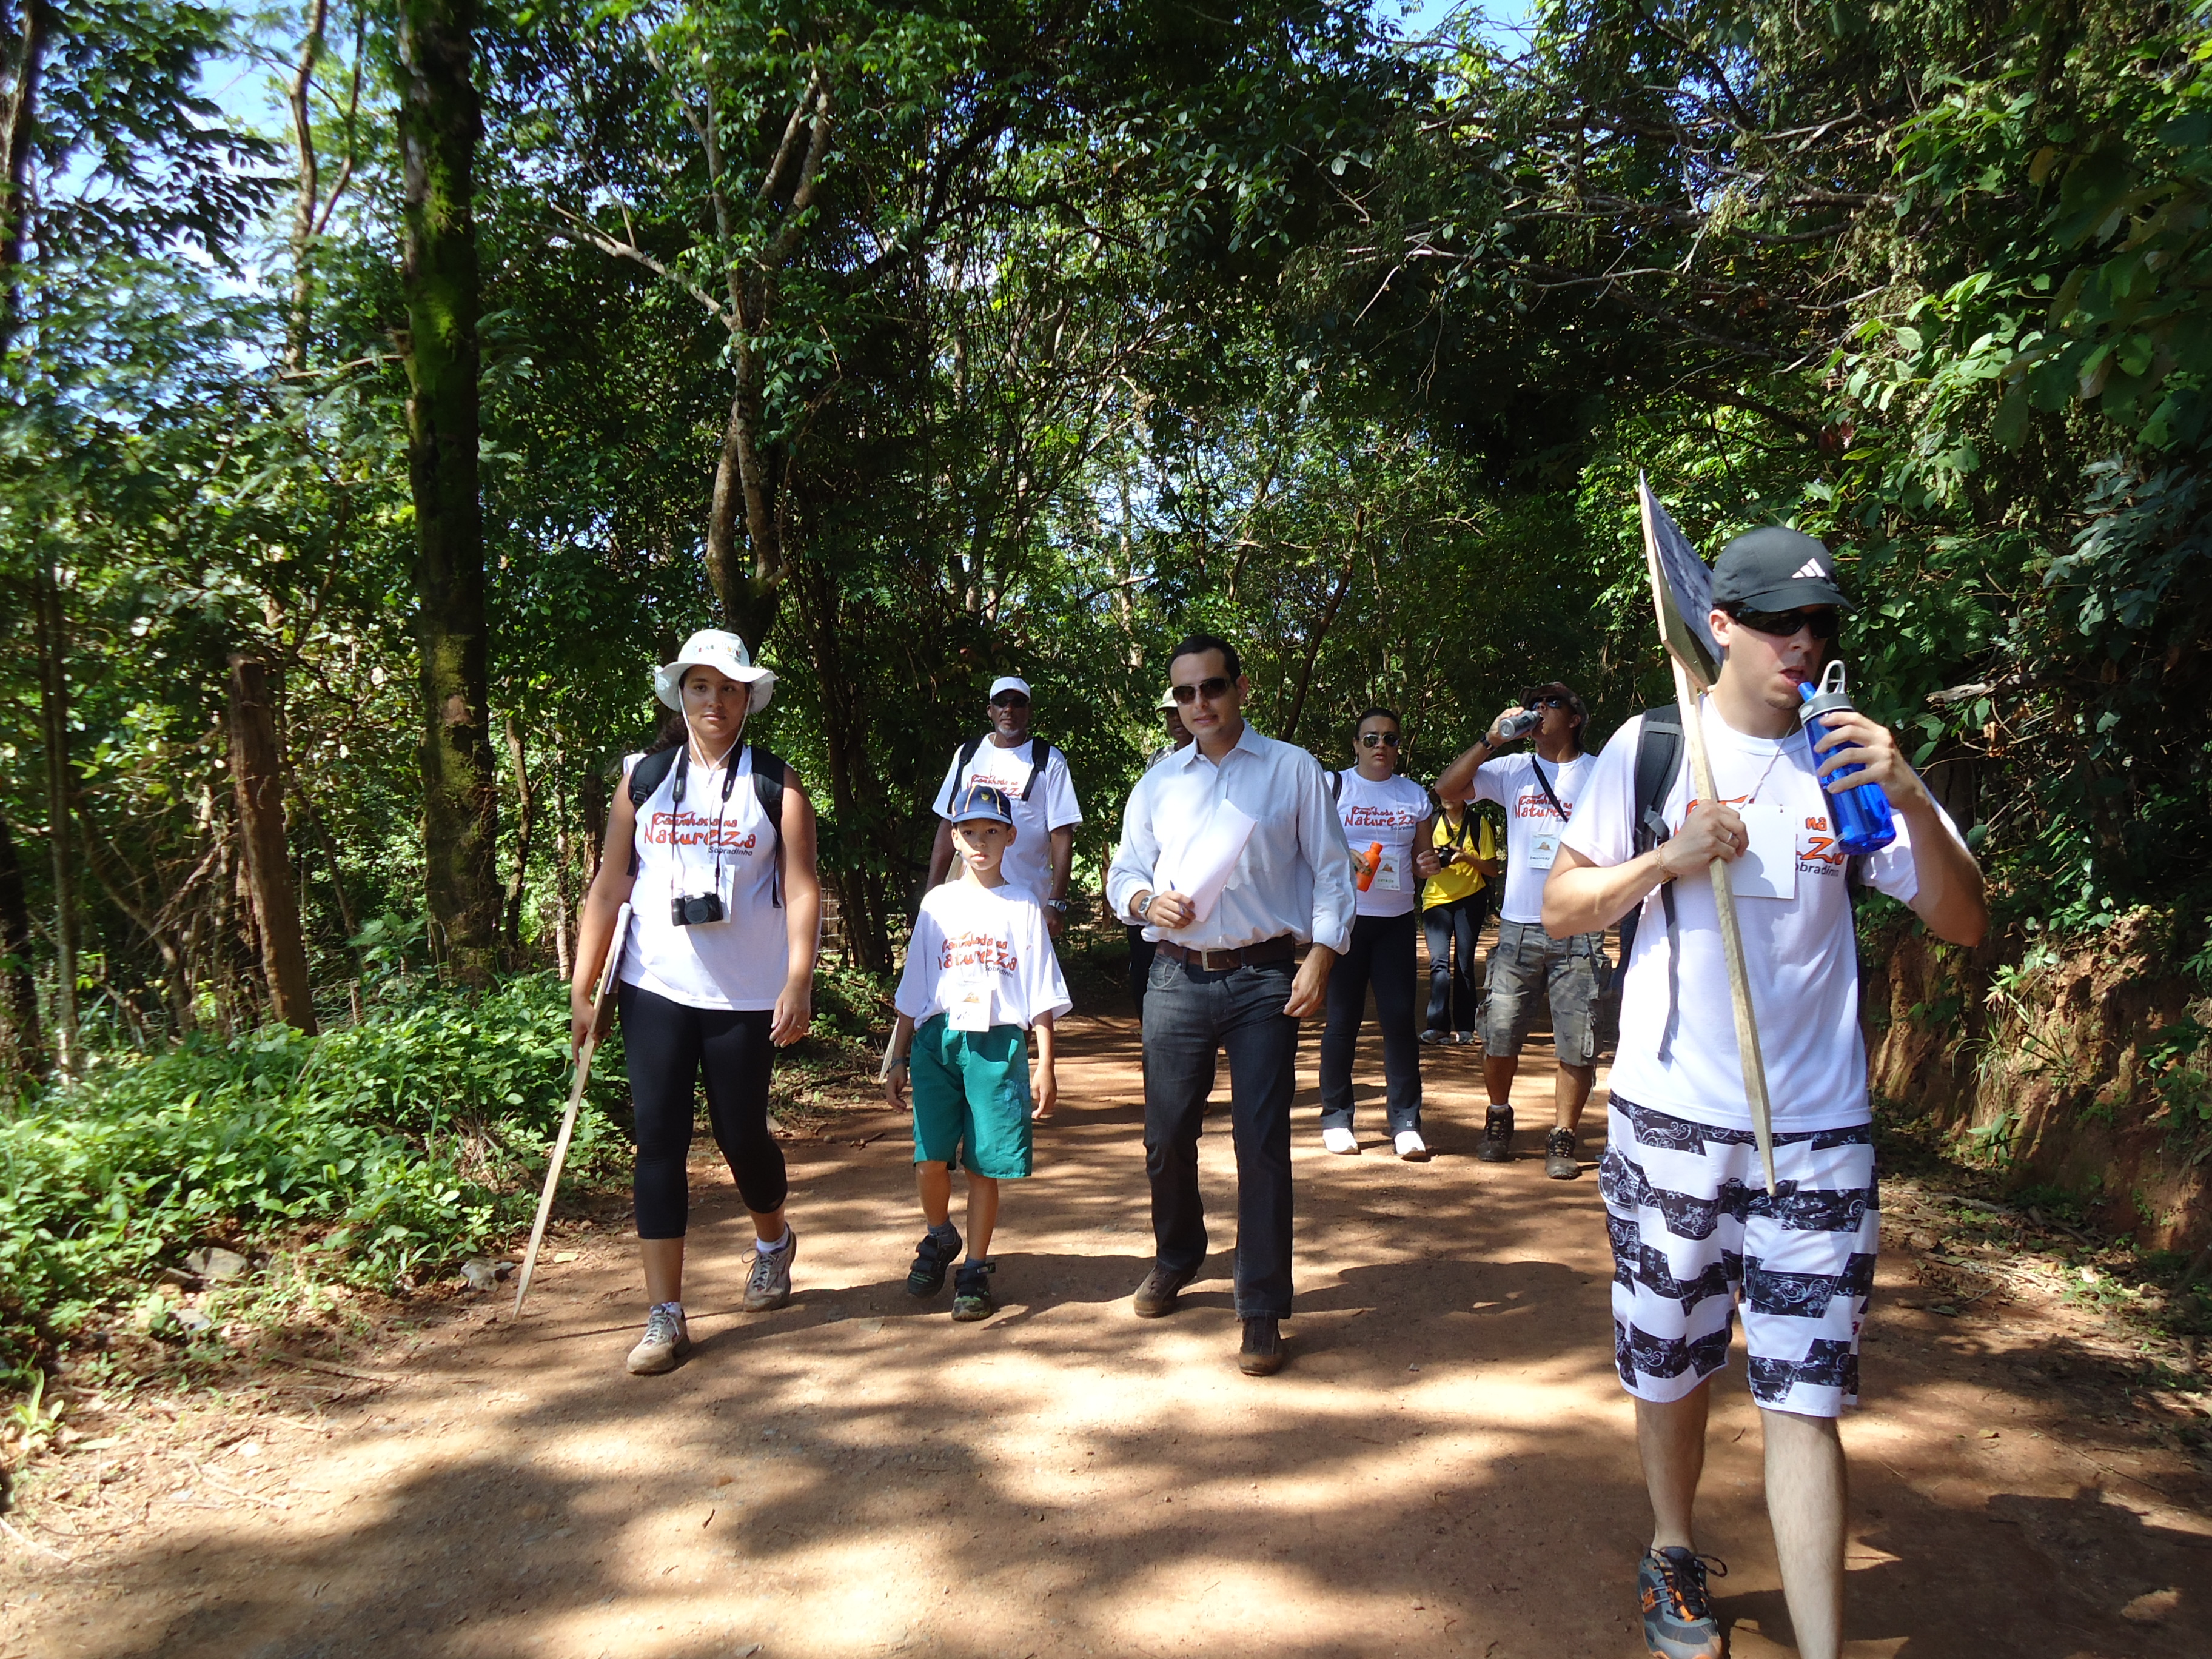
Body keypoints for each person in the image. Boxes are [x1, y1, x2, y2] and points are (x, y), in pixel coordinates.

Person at [1543, 527, 1986, 1659]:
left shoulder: (1847, 761)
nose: (1804, 643)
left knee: (1806, 1398)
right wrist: (1664, 860)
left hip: (1817, 1137)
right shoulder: (1650, 752)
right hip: (1670, 1127)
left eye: (1821, 625)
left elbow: (1962, 919)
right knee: (1670, 1361)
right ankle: (1672, 1546)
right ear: (1720, 626)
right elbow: (1561, 908)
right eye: (1781, 622)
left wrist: (1910, 797)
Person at [569, 629, 822, 1377]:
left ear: (749, 699)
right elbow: (610, 886)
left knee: (742, 1136)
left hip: (745, 994)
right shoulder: (642, 779)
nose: (715, 701)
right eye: (701, 687)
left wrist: (798, 978)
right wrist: (585, 989)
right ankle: (665, 1314)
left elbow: (804, 887)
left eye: (730, 689)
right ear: (680, 694)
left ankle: (773, 1242)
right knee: (661, 1142)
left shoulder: (778, 785)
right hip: (655, 986)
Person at [1105, 633, 1355, 1378]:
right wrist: (1146, 900)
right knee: (1166, 1135)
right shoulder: (1158, 783)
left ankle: (1262, 1306)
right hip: (1176, 976)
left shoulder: (1292, 770)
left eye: (1210, 688)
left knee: (1260, 1140)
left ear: (1240, 688)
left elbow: (1336, 875)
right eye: (1183, 694)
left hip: (1263, 979)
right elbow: (1124, 873)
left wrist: (1322, 955)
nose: (1198, 706)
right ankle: (1179, 1255)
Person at [882, 783, 1070, 1322]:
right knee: (929, 1159)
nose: (980, 841)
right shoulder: (937, 903)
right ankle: (940, 1235)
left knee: (984, 1165)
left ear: (1011, 836)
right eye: (969, 831)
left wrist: (1046, 1063)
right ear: (955, 839)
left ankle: (976, 1269)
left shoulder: (1022, 906)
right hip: (938, 1041)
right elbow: (916, 985)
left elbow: (1039, 990)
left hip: (996, 1042)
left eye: (992, 831)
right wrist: (897, 1055)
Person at [1434, 681, 1606, 1180]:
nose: (1538, 710)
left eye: (1550, 703)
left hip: (1581, 926)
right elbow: (1448, 790)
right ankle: (1499, 1117)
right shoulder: (1511, 769)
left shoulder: (1599, 773)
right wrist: (1492, 741)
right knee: (1500, 1030)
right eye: (1533, 704)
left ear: (1574, 718)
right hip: (1518, 927)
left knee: (1577, 1038)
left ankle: (1563, 1135)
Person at [1318, 707, 1443, 1160]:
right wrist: (1345, 860)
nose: (1381, 747)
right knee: (1342, 1021)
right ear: (1355, 744)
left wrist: (1427, 866)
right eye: (1371, 739)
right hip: (1345, 920)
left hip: (1394, 923)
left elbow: (1421, 861)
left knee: (1398, 1022)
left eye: (1389, 739)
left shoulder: (1414, 797)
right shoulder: (1335, 788)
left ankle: (1406, 1123)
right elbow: (1312, 847)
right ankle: (1336, 1117)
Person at [927, 675, 1082, 934]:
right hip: (968, 901)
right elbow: (947, 822)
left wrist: (1056, 902)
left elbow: (1062, 833)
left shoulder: (1048, 760)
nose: (1009, 709)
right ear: (990, 710)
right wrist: (932, 891)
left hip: (1026, 903)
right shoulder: (968, 755)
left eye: (1018, 703)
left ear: (1029, 711)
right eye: (1001, 702)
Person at [1128, 688, 1195, 1025]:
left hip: (1197, 889)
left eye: (1176, 711)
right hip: (1155, 889)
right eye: (1167, 714)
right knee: (1143, 970)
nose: (1173, 719)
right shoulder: (1158, 761)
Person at [1418, 796, 1500, 1047]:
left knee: (1465, 964)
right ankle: (1437, 1026)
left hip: (1470, 899)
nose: (1448, 797)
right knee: (1438, 964)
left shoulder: (1478, 824)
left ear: (1465, 796)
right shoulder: (1430, 823)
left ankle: (1466, 1027)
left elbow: (1492, 869)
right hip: (1436, 900)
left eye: (1453, 792)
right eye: (1443, 793)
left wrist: (1465, 858)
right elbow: (1416, 863)